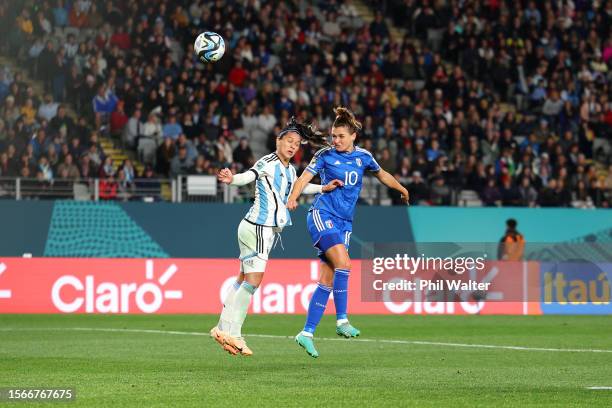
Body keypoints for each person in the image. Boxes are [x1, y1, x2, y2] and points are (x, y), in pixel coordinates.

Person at [209, 118, 343, 357]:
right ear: (278, 141)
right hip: (259, 226)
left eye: (297, 144)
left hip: (259, 229)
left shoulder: (290, 170)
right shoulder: (268, 162)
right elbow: (249, 176)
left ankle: (221, 327)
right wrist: (232, 179)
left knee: (242, 278)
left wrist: (323, 187)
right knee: (253, 281)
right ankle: (235, 333)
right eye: (289, 141)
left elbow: (296, 190)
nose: (293, 146)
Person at [287, 107, 409, 358]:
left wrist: (402, 188)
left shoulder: (363, 157)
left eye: (341, 136)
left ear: (353, 135)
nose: (336, 140)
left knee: (327, 280)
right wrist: (293, 197)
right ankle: (342, 320)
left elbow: (382, 174)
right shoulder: (324, 156)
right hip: (322, 216)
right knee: (344, 263)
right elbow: (302, 179)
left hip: (344, 224)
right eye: (334, 135)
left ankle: (306, 333)